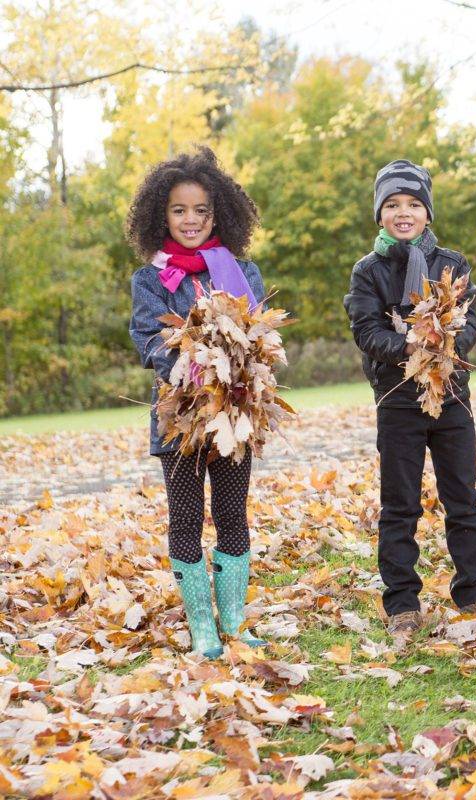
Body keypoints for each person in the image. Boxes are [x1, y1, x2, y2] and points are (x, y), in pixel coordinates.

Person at [343, 159, 476, 644]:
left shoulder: (450, 263)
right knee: (400, 504)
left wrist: (450, 340)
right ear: (380, 214)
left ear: (427, 212)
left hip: (451, 397)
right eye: (392, 205)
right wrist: (409, 345)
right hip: (398, 400)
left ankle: (473, 590)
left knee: (463, 499)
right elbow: (366, 330)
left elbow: (470, 321)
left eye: (413, 204)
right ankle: (403, 601)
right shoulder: (368, 271)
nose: (403, 213)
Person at [127, 146, 268, 658]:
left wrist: (239, 364)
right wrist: (184, 368)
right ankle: (201, 624)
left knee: (233, 515)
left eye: (201, 211)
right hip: (179, 417)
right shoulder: (151, 279)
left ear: (219, 214)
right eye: (179, 210)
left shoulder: (242, 272)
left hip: (233, 415)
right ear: (160, 215)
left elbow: (258, 333)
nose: (191, 220)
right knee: (185, 520)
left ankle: (232, 618)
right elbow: (146, 336)